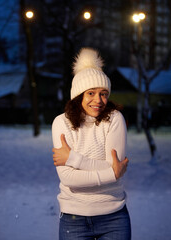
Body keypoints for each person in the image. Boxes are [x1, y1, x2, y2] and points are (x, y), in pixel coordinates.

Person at [52, 48, 131, 240]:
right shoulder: (61, 123)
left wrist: (73, 158)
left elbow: (114, 169)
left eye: (104, 93)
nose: (99, 100)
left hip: (114, 216)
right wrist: (111, 173)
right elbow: (69, 178)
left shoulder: (114, 119)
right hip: (74, 217)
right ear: (79, 95)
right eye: (91, 93)